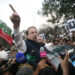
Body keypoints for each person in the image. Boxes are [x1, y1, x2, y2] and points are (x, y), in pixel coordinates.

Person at [9, 4, 69, 75]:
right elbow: (18, 41)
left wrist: (53, 66)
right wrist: (16, 25)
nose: (35, 34)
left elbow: (44, 56)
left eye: (36, 32)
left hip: (48, 69)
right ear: (27, 35)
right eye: (32, 33)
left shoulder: (40, 44)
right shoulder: (24, 44)